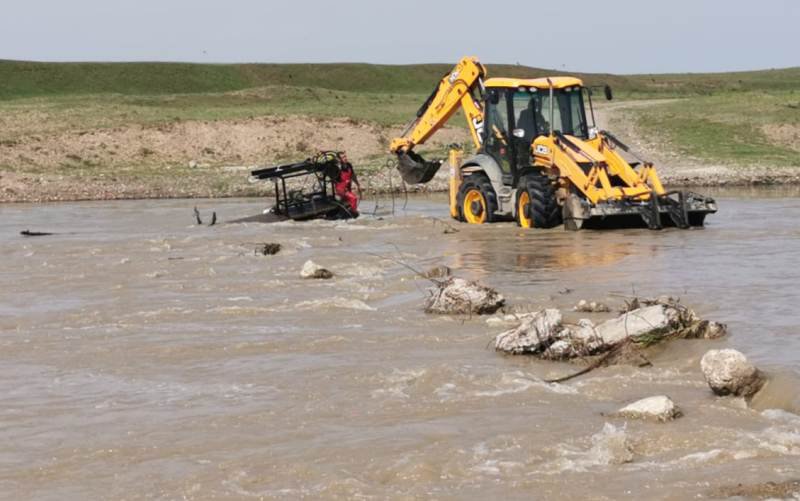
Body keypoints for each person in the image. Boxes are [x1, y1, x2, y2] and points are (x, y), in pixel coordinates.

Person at [334, 151, 362, 217]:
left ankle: (344, 213)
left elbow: (353, 176)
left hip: (348, 188)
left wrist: (358, 185)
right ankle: (353, 213)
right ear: (340, 159)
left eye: (345, 156)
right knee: (354, 198)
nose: (345, 158)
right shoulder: (338, 168)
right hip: (341, 189)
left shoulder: (349, 165)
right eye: (343, 157)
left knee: (347, 202)